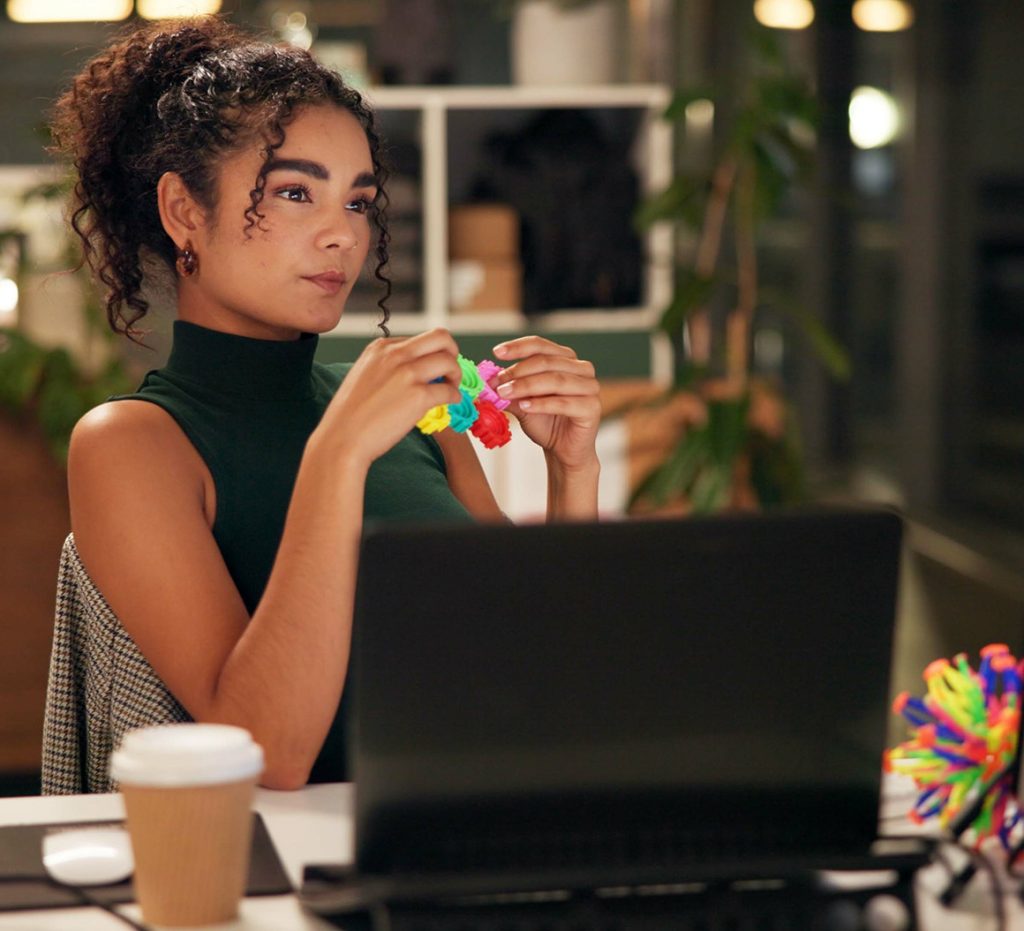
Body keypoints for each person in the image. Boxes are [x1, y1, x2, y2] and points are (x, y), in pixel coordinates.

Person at [51, 17, 601, 790]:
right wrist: (337, 454)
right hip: (296, 884)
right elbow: (267, 752)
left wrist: (573, 474)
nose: (342, 235)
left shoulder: (402, 404)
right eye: (296, 192)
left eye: (357, 201)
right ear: (184, 212)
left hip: (484, 831)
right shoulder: (134, 443)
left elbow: (546, 674)